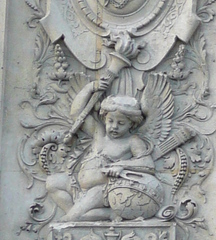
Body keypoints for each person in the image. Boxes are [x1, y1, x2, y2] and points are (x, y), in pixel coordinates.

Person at [46, 79, 164, 224]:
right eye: (110, 121)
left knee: (78, 212)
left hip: (103, 190)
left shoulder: (132, 141)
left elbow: (148, 163)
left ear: (131, 124)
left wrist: (122, 165)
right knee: (52, 182)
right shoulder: (98, 133)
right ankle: (85, 214)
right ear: (104, 119)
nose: (114, 127)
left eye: (121, 123)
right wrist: (90, 87)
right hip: (78, 186)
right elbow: (76, 113)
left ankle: (74, 217)